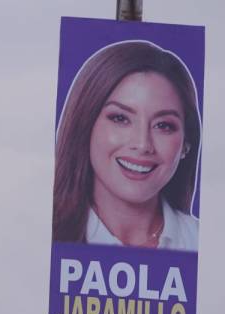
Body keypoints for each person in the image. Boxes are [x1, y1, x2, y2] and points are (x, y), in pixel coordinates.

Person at [53, 40, 201, 250]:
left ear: (186, 144)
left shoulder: (203, 245)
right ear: (85, 125)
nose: (142, 144)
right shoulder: (42, 236)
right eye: (120, 118)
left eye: (163, 125)